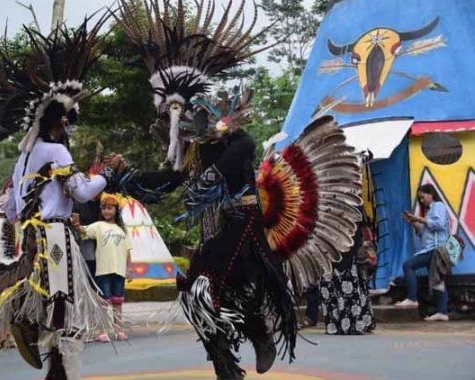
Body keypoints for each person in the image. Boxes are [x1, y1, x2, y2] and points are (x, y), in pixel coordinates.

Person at [111, 2, 363, 378]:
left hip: (244, 220)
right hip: (216, 226)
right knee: (195, 297)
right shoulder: (189, 144)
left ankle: (258, 333)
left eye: (170, 113)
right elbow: (174, 180)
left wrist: (213, 175)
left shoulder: (220, 127)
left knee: (207, 288)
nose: (168, 122)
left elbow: (245, 144)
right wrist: (126, 179)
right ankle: (228, 366)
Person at [0, 16, 115, 380]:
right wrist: (108, 174)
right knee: (64, 308)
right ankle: (39, 341)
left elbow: (10, 206)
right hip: (55, 236)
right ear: (61, 121)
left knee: (48, 297)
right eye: (70, 119)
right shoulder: (56, 151)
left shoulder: (24, 156)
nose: (70, 125)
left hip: (29, 238)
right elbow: (83, 192)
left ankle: (26, 321)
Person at [75, 193, 132, 342]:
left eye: (110, 208)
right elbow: (85, 230)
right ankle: (103, 331)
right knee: (103, 302)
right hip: (103, 270)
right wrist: (76, 225)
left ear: (116, 210)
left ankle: (118, 330)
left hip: (119, 270)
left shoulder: (121, 229)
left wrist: (129, 268)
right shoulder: (98, 226)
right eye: (104, 208)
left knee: (118, 302)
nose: (107, 211)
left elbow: (127, 250)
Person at [396, 184, 450, 321]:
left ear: (431, 194)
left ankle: (412, 298)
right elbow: (423, 233)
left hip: (435, 249)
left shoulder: (438, 206)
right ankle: (442, 312)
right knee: (437, 280)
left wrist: (418, 218)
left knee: (408, 265)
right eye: (420, 198)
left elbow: (438, 224)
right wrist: (413, 222)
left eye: (423, 196)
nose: (421, 200)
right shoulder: (430, 211)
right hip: (433, 248)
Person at [320, 210, 376, 335]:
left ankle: (339, 323)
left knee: (341, 285)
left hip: (339, 247)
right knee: (348, 286)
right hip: (335, 246)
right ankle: (351, 323)